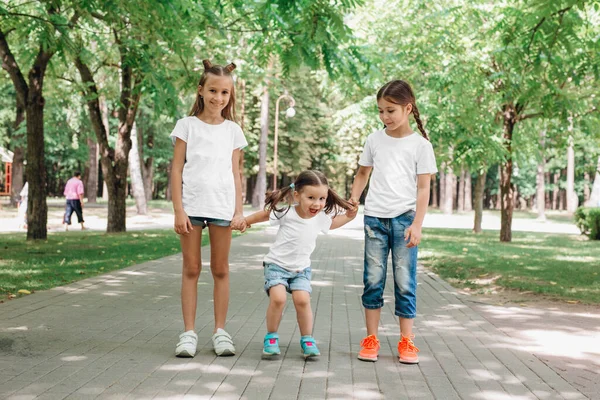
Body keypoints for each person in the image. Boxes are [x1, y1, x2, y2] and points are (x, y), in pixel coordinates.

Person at [349, 80, 437, 364]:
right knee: (372, 280)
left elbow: (424, 188)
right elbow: (362, 174)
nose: (385, 117)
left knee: (405, 282)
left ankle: (407, 341)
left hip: (404, 221)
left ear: (408, 108)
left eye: (391, 110)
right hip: (374, 218)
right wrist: (353, 201)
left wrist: (418, 224)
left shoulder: (421, 145)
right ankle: (371, 339)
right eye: (380, 111)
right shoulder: (374, 140)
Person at [170, 59, 247, 358]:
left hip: (222, 207)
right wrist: (179, 210)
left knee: (220, 269)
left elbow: (236, 173)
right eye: (212, 90)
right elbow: (176, 169)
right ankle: (188, 333)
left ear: (230, 96)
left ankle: (220, 331)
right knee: (191, 268)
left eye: (225, 93)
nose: (218, 98)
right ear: (201, 90)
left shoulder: (233, 131)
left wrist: (238, 211)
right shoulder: (186, 126)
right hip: (191, 206)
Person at [241, 170, 357, 359]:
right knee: (278, 299)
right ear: (297, 195)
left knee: (302, 300)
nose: (317, 204)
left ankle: (307, 339)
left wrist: (350, 216)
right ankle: (271, 337)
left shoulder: (320, 218)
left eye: (321, 199)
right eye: (311, 197)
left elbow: (334, 224)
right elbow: (264, 215)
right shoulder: (287, 212)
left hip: (301, 269)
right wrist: (245, 221)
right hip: (277, 266)